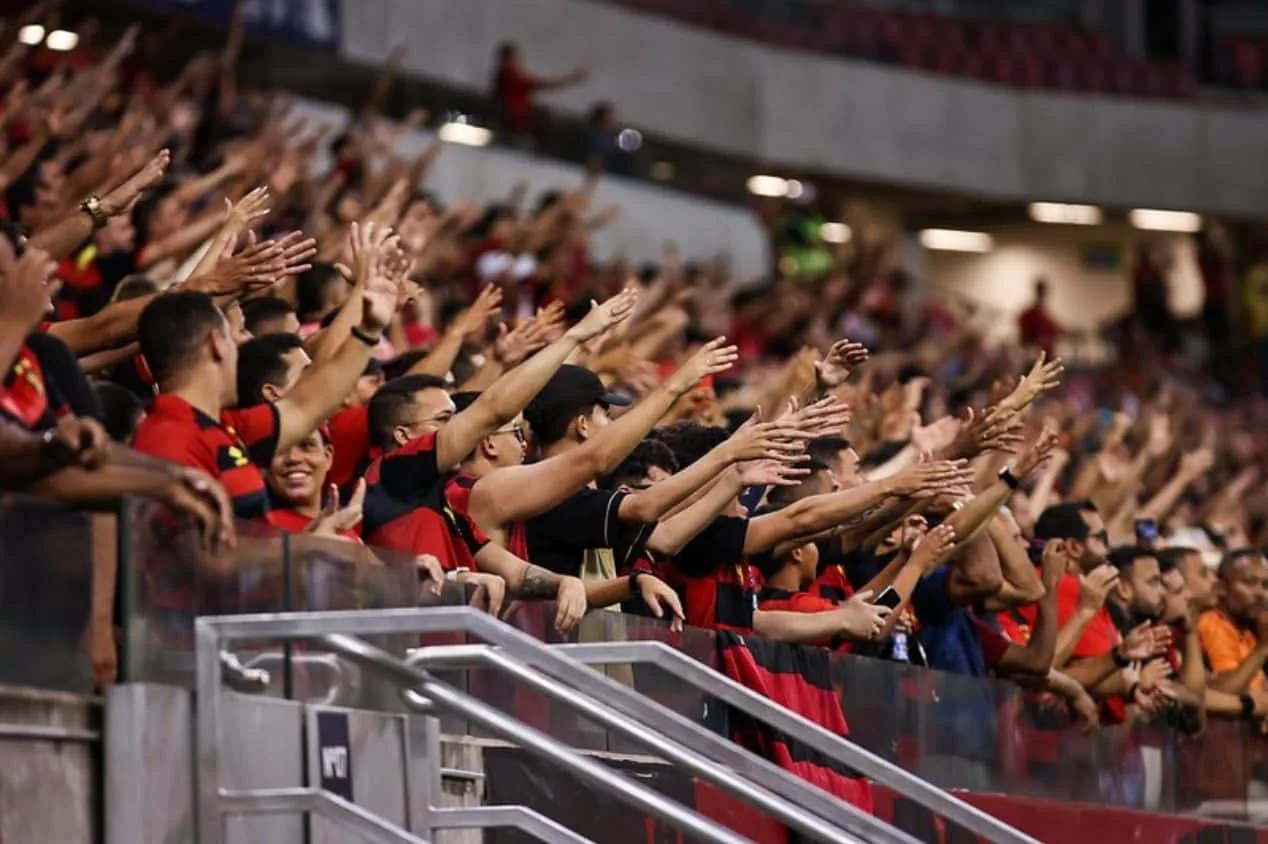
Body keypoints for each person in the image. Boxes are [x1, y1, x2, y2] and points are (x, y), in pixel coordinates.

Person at [131, 224, 399, 521]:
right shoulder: (168, 439)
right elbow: (178, 554)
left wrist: (370, 329)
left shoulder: (224, 425)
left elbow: (308, 405)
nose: (242, 347)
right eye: (236, 334)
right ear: (216, 344)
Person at [1196, 549, 1268, 695]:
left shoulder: (1249, 628)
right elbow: (1226, 691)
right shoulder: (1211, 624)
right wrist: (1263, 647)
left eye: (1266, 585)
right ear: (1221, 588)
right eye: (1250, 582)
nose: (1261, 594)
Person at [492, 41, 588, 141]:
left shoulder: (504, 74)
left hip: (517, 119)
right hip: (516, 121)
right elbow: (539, 84)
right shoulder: (510, 75)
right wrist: (570, 79)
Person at [1017, 277, 1061, 355]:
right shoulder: (1029, 314)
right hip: (1034, 356)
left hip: (1047, 355)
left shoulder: (1047, 316)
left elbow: (1055, 332)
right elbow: (1023, 340)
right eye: (1042, 291)